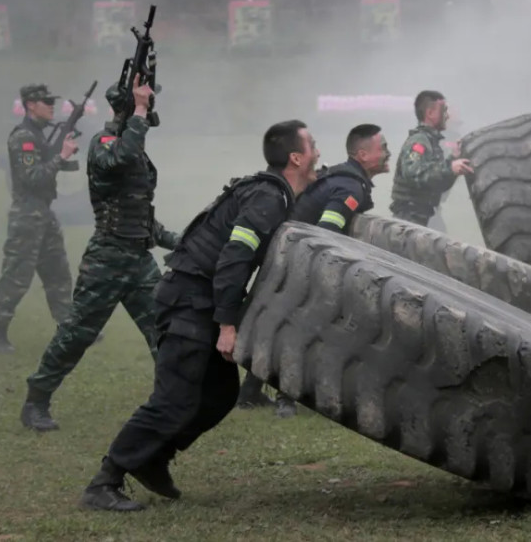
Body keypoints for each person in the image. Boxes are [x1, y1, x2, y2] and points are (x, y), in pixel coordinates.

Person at [80, 119, 319, 512]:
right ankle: (105, 480)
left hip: (200, 299)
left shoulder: (269, 192)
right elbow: (234, 257)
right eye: (312, 146)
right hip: (190, 301)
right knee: (173, 399)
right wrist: (227, 325)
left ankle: (153, 459)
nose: (317, 152)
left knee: (220, 394)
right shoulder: (267, 197)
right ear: (296, 157)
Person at [21, 75, 179, 432]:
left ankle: (172, 402)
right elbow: (120, 159)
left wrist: (182, 240)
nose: (149, 111)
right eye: (142, 106)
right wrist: (139, 110)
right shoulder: (105, 144)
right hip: (107, 259)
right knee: (77, 333)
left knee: (164, 330)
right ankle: (37, 399)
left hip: (139, 260)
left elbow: (142, 216)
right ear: (127, 109)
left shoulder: (135, 149)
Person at [236, 123, 390, 416]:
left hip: (286, 256)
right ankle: (285, 398)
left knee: (279, 323)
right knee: (304, 326)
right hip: (300, 261)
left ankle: (249, 394)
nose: (386, 153)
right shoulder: (350, 186)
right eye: (381, 148)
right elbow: (325, 236)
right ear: (362, 154)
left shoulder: (346, 178)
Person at [0, 85, 79, 353]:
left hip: (44, 212)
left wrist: (60, 157)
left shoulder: (38, 136)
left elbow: (44, 168)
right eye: (45, 101)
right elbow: (32, 178)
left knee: (58, 273)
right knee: (17, 276)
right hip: (27, 215)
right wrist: (60, 156)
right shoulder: (23, 138)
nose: (51, 106)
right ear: (30, 105)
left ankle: (69, 328)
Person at [389, 90, 472, 226]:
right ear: (430, 113)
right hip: (409, 218)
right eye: (444, 110)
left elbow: (438, 185)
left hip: (424, 216)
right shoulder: (419, 142)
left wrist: (453, 159)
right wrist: (450, 168)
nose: (447, 115)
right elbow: (414, 174)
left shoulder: (431, 142)